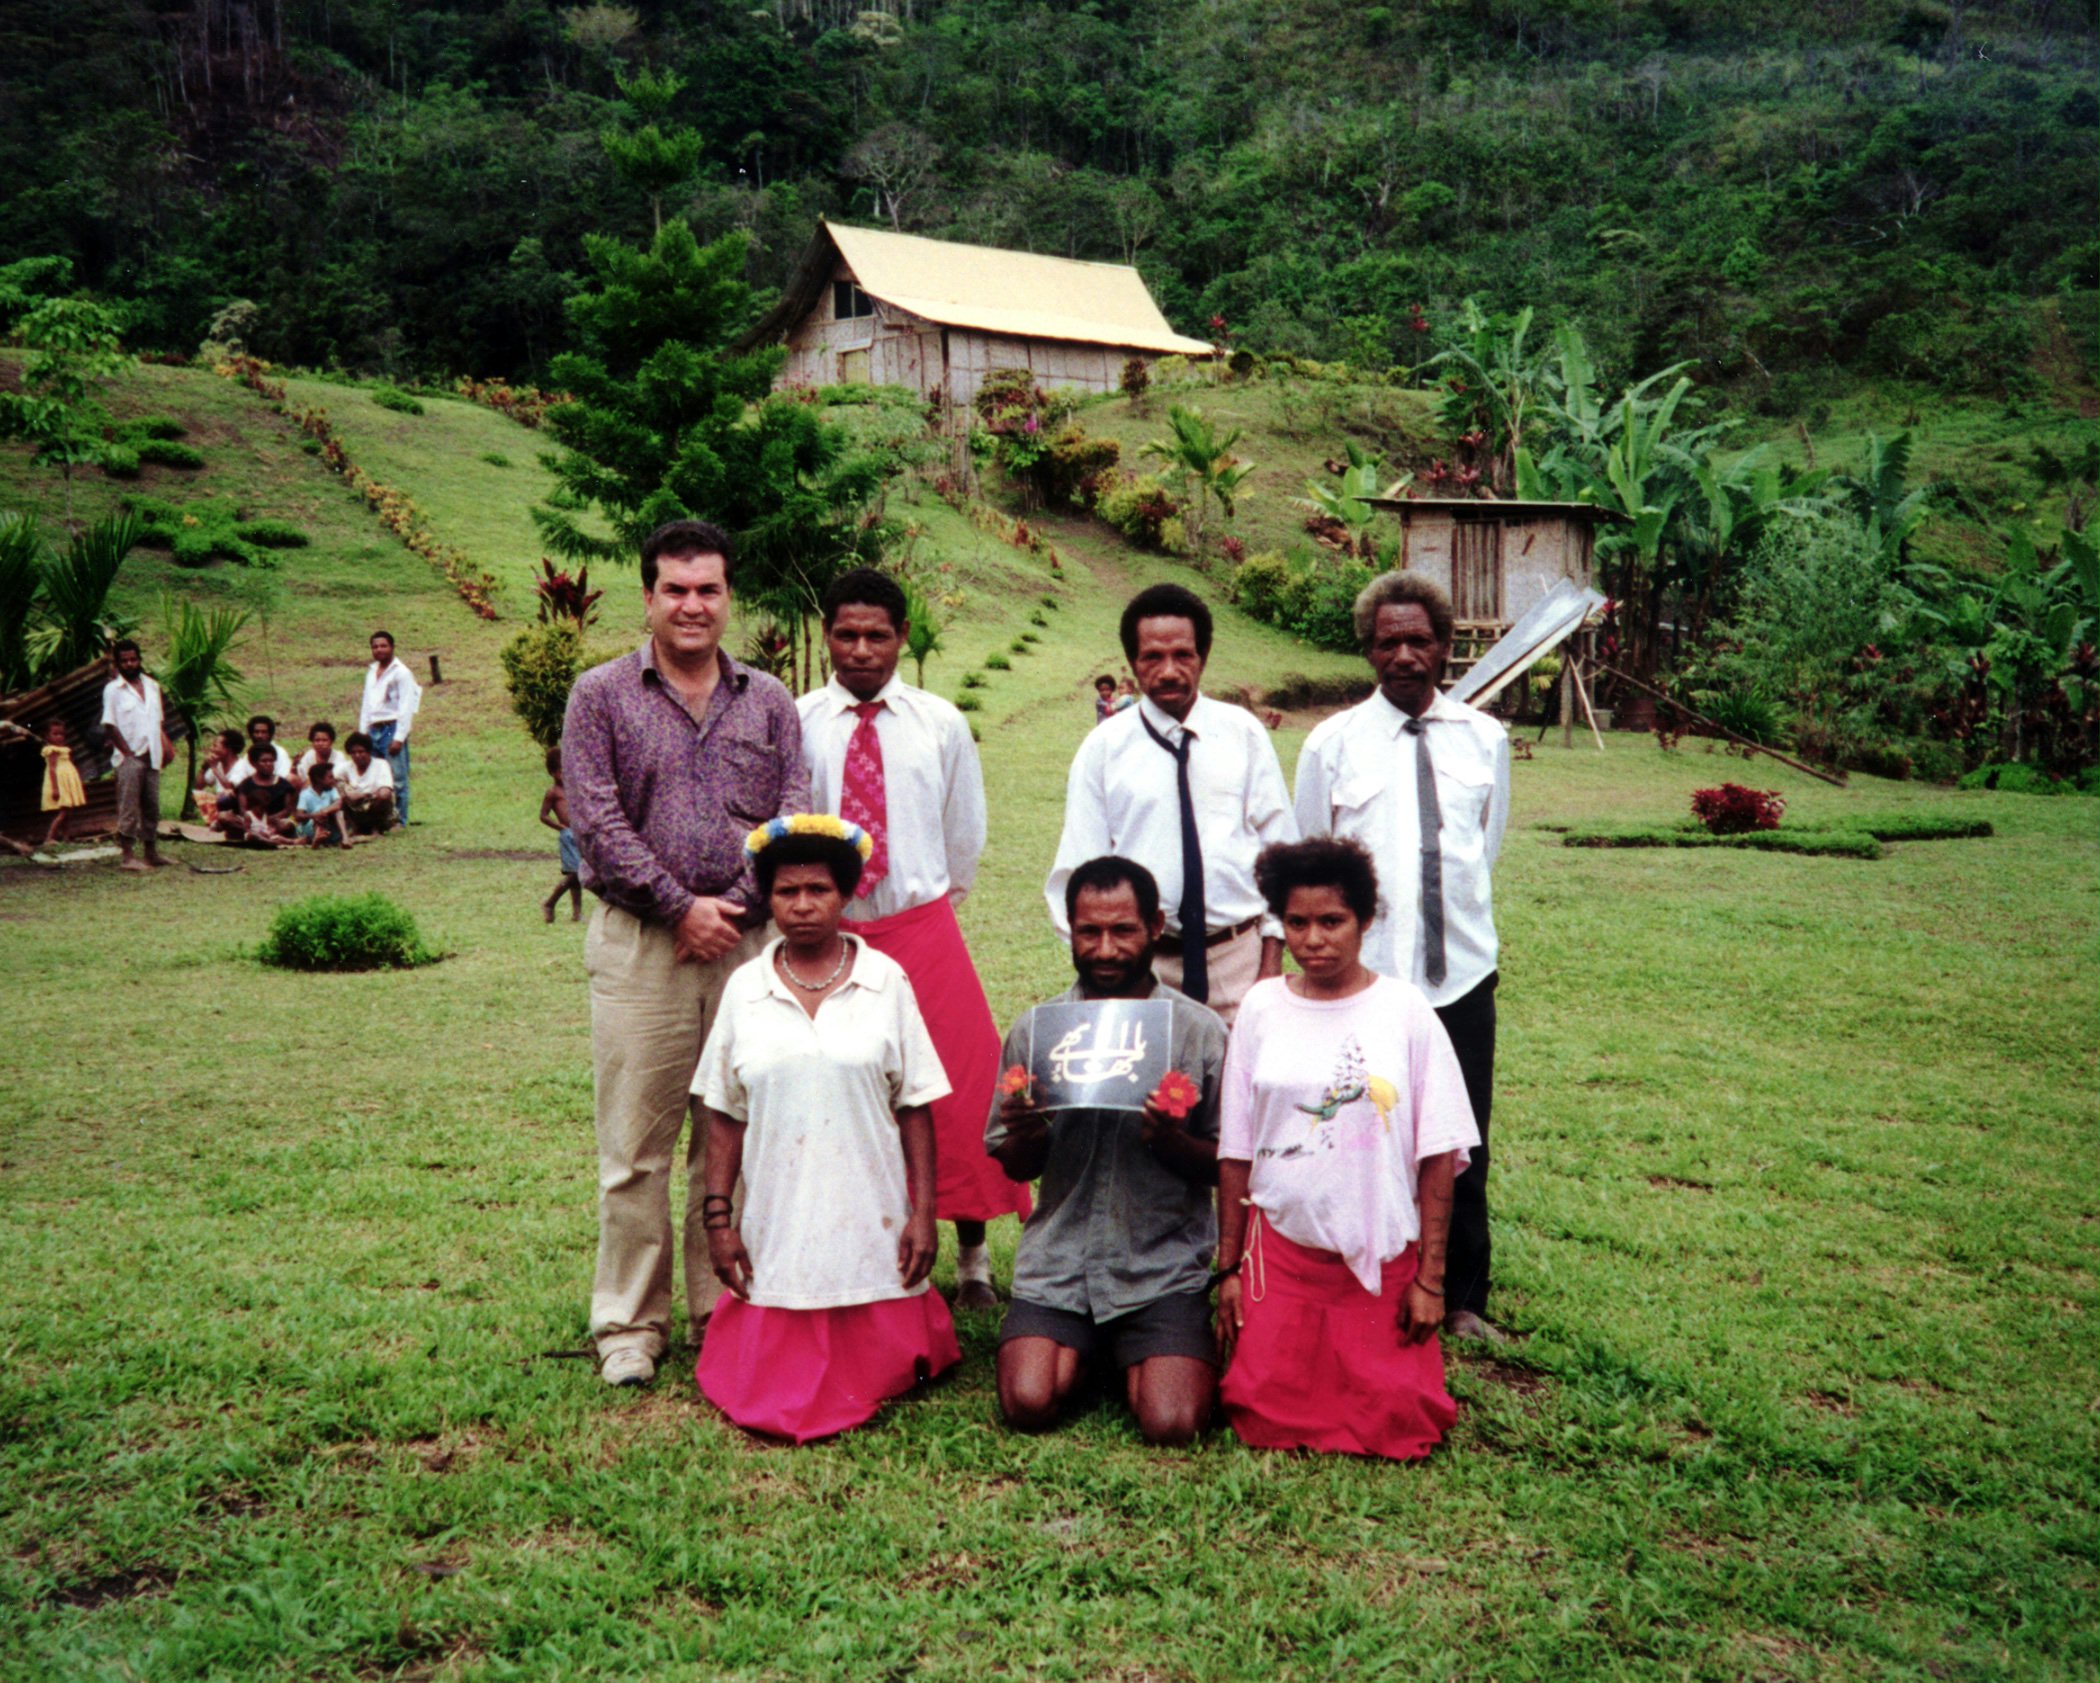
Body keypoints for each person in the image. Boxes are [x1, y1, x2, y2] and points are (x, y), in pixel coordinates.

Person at [563, 518, 809, 1389]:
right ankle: (629, 1323)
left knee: (734, 1134)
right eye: (676, 588)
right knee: (636, 1144)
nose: (693, 604)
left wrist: (739, 907)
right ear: (648, 596)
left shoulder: (770, 700)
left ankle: (724, 1307)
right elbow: (593, 816)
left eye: (708, 589)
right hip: (642, 946)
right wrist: (679, 907)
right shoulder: (599, 695)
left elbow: (791, 812)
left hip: (751, 945)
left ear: (728, 596)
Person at [797, 568, 1028, 1311]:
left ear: (902, 637)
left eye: (878, 635)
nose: (861, 650)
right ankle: (865, 1246)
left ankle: (972, 1259)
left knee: (959, 1092)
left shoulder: (939, 721)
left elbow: (965, 830)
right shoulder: (798, 721)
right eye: (846, 634)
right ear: (826, 635)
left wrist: (932, 902)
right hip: (838, 934)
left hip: (925, 926)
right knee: (849, 1089)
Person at [1292, 573, 1511, 1343]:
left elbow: (1483, 851)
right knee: (1365, 1128)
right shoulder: (1332, 743)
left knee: (1462, 1137)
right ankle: (1368, 1275)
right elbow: (1313, 863)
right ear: (1369, 649)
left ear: (1448, 645)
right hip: (1368, 982)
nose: (1406, 654)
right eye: (1390, 641)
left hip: (1462, 975)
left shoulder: (1486, 740)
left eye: (1421, 639)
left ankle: (1462, 1295)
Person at [692, 817, 960, 1442]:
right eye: (787, 893)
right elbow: (725, 1115)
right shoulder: (744, 988)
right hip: (780, 1220)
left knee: (883, 1358)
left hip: (872, 1217)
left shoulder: (885, 980)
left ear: (845, 896)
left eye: (819, 890)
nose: (804, 906)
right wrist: (718, 1221)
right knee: (771, 1372)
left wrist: (923, 1214)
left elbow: (915, 1106)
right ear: (769, 899)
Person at [1213, 837, 1480, 1461]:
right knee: (1258, 1414)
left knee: (1399, 1421)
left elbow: (1440, 1154)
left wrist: (1431, 1282)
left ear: (1365, 920)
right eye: (1297, 923)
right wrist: (1227, 1270)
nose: (1314, 940)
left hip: (1379, 1265)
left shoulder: (1406, 1010)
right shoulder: (1260, 1006)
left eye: (1332, 921)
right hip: (1279, 1260)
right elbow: (1235, 1152)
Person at [988, 856, 1227, 1447]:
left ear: (1155, 927)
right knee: (1028, 1402)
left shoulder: (1198, 1031)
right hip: (1060, 1264)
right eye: (1088, 931)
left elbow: (1228, 1161)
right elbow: (1016, 1164)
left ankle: (1132, 1349)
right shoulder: (1039, 1028)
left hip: (1161, 1265)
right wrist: (1027, 1131)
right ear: (1069, 929)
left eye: (1123, 930)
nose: (1105, 949)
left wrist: (1171, 1143)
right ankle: (1095, 1349)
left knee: (1172, 1424)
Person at [1046, 583, 1296, 1027]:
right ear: (1132, 663)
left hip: (1238, 961)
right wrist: (1110, 977)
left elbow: (1282, 856)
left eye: (1183, 655)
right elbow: (1077, 870)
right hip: (1143, 969)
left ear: (1203, 656)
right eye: (1152, 658)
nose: (1168, 671)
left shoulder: (1243, 734)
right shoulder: (1103, 748)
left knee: (1237, 1095)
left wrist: (1269, 966)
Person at [101, 638, 173, 872]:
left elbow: (158, 722)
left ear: (140, 659)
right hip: (129, 757)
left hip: (153, 755)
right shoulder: (113, 690)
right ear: (118, 663)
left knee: (152, 806)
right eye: (125, 661)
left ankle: (151, 853)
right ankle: (128, 856)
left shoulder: (152, 686)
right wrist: (128, 753)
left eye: (133, 659)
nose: (130, 664)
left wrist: (165, 748)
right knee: (129, 807)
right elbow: (110, 725)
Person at [359, 630, 421, 825]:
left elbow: (406, 707)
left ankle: (400, 820)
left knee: (398, 777)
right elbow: (367, 704)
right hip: (373, 729)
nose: (379, 650)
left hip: (391, 729)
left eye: (383, 646)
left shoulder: (401, 673)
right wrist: (363, 734)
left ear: (392, 647)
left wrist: (399, 737)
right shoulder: (372, 672)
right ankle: (379, 820)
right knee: (376, 777)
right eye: (375, 646)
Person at [539, 746, 581, 923]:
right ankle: (550, 902)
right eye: (561, 772)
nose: (565, 775)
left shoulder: (572, 788)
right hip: (568, 836)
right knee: (576, 874)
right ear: (552, 773)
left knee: (577, 876)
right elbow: (543, 815)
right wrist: (560, 827)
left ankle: (577, 913)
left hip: (579, 834)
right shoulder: (553, 792)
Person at [227, 743, 299, 846]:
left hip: (274, 823)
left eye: (271, 761)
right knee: (225, 817)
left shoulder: (283, 784)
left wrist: (271, 819)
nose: (268, 764)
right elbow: (243, 809)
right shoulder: (246, 784)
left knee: (287, 825)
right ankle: (259, 836)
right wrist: (256, 819)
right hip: (252, 822)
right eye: (264, 761)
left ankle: (262, 837)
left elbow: (288, 809)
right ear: (254, 764)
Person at [35, 717, 87, 851]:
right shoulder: (51, 750)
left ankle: (66, 838)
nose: (59, 737)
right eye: (55, 734)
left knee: (68, 812)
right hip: (59, 782)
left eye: (62, 734)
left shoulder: (64, 749)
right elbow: (52, 768)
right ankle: (49, 837)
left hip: (66, 782)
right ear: (47, 736)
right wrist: (55, 788)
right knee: (63, 812)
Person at [338, 732, 397, 834]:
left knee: (384, 795)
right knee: (337, 786)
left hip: (373, 805)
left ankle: (376, 828)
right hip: (354, 808)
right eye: (353, 752)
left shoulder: (381, 764)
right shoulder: (346, 767)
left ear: (369, 751)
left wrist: (363, 795)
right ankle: (353, 827)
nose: (357, 755)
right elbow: (331, 780)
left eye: (361, 752)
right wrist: (348, 793)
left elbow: (385, 790)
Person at [296, 760, 353, 847]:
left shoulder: (332, 790)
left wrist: (323, 812)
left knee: (338, 812)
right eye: (330, 777)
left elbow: (338, 804)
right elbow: (299, 816)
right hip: (310, 827)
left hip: (328, 825)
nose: (333, 780)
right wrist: (314, 815)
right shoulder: (305, 794)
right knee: (318, 820)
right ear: (319, 779)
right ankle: (316, 838)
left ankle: (345, 838)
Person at [293, 721, 343, 790]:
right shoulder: (309, 756)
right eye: (317, 740)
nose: (320, 744)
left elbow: (336, 778)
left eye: (324, 740)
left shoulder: (338, 756)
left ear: (331, 741)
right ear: (312, 742)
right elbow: (303, 778)